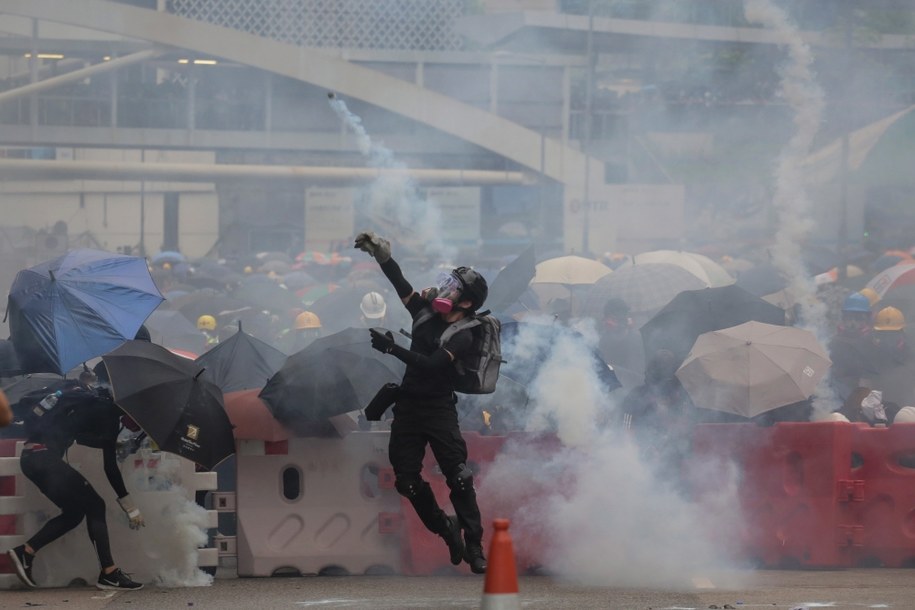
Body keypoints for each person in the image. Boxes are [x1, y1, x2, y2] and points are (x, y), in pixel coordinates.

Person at [355, 230, 489, 574]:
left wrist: (391, 349)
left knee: (458, 476)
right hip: (409, 407)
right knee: (407, 481)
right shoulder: (424, 312)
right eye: (448, 283)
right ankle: (446, 530)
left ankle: (474, 544)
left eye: (455, 288)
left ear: (467, 302)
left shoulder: (467, 333)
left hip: (438, 408)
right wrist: (382, 256)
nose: (446, 290)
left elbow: (431, 366)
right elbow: (400, 283)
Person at [6, 377, 144, 590]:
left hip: (32, 458)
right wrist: (130, 506)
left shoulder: (88, 397)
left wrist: (112, 443)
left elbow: (76, 434)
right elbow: (110, 468)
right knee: (96, 505)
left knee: (74, 512)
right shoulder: (109, 413)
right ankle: (109, 573)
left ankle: (26, 552)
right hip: (45, 460)